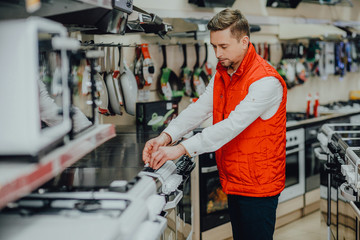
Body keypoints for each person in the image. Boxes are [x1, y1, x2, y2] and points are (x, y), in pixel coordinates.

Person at [142, 9, 287, 240]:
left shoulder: (265, 80)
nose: (218, 53)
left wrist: (180, 148)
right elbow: (199, 109)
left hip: (258, 185)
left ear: (244, 41)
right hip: (234, 180)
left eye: (224, 46)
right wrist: (166, 136)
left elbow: (231, 126)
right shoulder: (224, 72)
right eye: (214, 46)